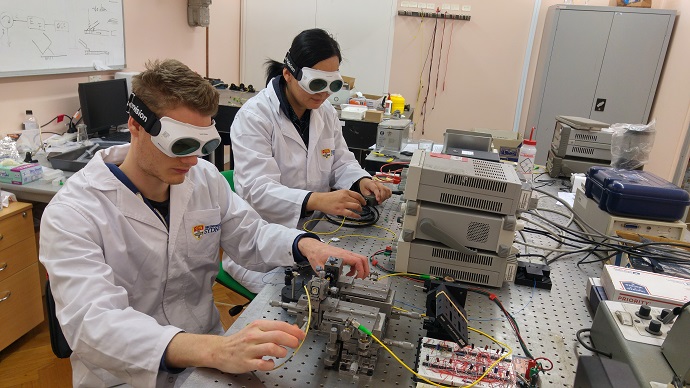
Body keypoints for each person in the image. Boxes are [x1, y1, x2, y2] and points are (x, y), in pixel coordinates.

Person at [39, 59, 370, 387]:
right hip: (124, 375)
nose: (192, 160)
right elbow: (94, 325)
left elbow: (250, 234)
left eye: (204, 145)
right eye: (180, 144)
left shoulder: (203, 179)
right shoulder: (73, 213)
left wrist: (303, 244)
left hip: (209, 357)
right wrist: (213, 349)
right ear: (137, 125)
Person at [222, 28, 392, 292]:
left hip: (317, 230)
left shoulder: (324, 113)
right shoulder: (255, 117)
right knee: (311, 296)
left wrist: (362, 180)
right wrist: (317, 200)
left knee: (352, 281)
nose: (324, 93)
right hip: (263, 246)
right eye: (316, 83)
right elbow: (256, 190)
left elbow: (340, 161)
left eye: (332, 85)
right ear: (288, 74)